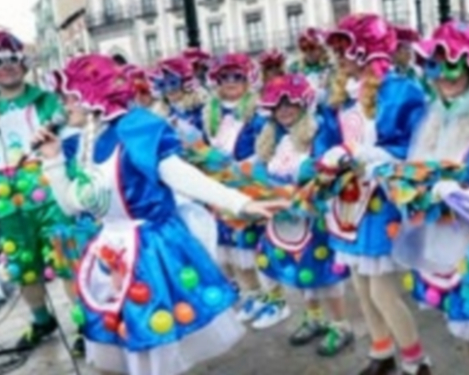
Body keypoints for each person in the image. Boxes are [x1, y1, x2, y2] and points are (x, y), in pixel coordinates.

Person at [38, 54, 288, 375]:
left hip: (147, 251)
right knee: (119, 344)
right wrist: (53, 161)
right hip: (109, 252)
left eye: (69, 96)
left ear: (92, 96)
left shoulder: (134, 130)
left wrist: (239, 202)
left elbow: (179, 174)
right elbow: (72, 205)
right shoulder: (88, 143)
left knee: (150, 344)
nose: (63, 105)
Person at [400, 20, 469, 375]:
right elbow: (418, 167)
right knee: (460, 327)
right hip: (439, 235)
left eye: (453, 67)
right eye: (435, 67)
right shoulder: (434, 114)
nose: (444, 77)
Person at [320, 13, 429, 375]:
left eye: (343, 48)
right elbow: (329, 139)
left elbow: (418, 147)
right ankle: (382, 353)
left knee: (382, 289)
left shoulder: (399, 90)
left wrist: (378, 156)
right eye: (335, 48)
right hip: (349, 200)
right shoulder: (341, 95)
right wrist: (324, 158)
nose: (338, 56)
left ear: (364, 49)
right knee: (360, 285)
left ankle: (416, 362)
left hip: (382, 199)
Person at [0, 31, 84, 353]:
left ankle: (83, 326)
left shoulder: (47, 101)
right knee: (23, 267)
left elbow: (74, 139)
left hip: (50, 194)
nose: (5, 67)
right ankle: (41, 321)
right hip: (9, 202)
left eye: (11, 59)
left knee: (66, 260)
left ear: (22, 63)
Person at [253, 73, 354, 355]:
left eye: (290, 102)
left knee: (325, 272)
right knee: (300, 268)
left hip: (314, 215)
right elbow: (260, 167)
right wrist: (267, 185)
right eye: (277, 104)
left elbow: (322, 166)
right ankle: (314, 318)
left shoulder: (318, 130)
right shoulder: (271, 136)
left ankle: (340, 325)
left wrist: (300, 178)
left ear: (303, 103)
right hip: (283, 217)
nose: (283, 109)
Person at [200, 53, 277, 327]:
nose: (231, 82)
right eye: (225, 77)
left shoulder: (258, 113)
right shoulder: (209, 112)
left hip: (250, 187)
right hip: (220, 188)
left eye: (237, 77)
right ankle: (253, 295)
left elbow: (267, 148)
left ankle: (275, 301)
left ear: (247, 80)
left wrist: (242, 168)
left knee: (259, 248)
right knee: (232, 247)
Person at [151, 56, 206, 137]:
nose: (169, 89)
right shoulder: (162, 111)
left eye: (173, 83)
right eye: (162, 85)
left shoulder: (200, 106)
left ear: (184, 83)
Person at [288, 27, 333, 103]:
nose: (308, 52)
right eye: (304, 48)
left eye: (312, 47)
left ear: (321, 49)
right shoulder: (295, 70)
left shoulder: (331, 68)